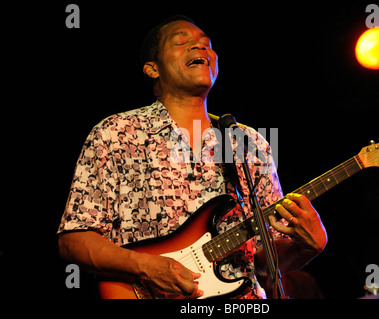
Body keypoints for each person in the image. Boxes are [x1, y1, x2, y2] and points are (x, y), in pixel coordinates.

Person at [57, 15, 327, 299]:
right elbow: (74, 239)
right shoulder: (116, 133)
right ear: (152, 68)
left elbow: (264, 260)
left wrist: (305, 247)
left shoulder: (248, 143)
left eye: (206, 44)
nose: (200, 48)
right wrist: (145, 266)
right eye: (181, 42)